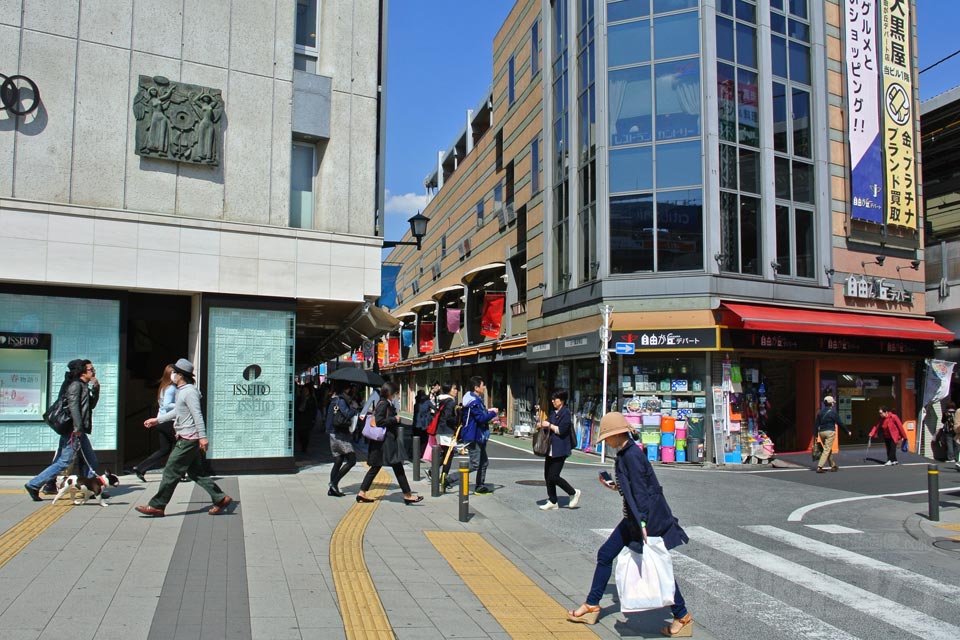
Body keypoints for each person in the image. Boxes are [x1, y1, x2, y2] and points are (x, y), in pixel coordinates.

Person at [567, 412, 692, 637]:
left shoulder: (631, 455)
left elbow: (643, 493)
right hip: (635, 519)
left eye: (607, 438)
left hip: (645, 520)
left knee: (657, 566)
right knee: (606, 554)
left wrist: (643, 522)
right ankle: (592, 604)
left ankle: (682, 616)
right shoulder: (626, 452)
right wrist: (615, 486)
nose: (606, 442)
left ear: (616, 435)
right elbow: (634, 487)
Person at [135, 359, 232, 517]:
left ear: (180, 375)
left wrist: (203, 437)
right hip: (186, 436)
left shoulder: (189, 392)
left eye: (174, 372)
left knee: (170, 471)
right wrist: (157, 420)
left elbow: (197, 415)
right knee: (196, 473)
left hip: (188, 438)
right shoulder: (181, 390)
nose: (172, 375)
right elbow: (178, 411)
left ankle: (157, 506)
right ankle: (220, 499)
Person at [25, 359, 101, 501]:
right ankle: (34, 484)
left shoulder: (84, 385)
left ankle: (90, 490)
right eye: (91, 369)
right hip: (73, 430)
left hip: (79, 430)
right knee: (64, 462)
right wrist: (77, 428)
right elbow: (73, 408)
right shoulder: (75, 386)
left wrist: (96, 389)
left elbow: (91, 406)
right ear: (83, 371)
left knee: (91, 461)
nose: (94, 371)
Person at [356, 382, 423, 504]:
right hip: (386, 443)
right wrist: (395, 419)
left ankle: (362, 492)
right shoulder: (384, 404)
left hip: (383, 443)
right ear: (390, 393)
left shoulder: (385, 403)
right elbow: (380, 421)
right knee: (394, 466)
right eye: (397, 393)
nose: (398, 396)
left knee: (378, 467)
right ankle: (407, 495)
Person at [131, 364, 178, 482]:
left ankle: (140, 468)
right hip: (168, 422)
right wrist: (182, 404)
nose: (177, 375)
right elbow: (167, 405)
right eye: (175, 372)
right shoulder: (172, 388)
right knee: (180, 447)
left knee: (164, 449)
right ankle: (176, 473)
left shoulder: (163, 387)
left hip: (160, 421)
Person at [538, 390, 581, 510]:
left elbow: (561, 430)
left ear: (561, 400)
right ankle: (552, 501)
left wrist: (549, 425)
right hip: (550, 448)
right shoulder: (553, 412)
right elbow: (548, 423)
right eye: (552, 399)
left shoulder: (566, 413)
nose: (553, 401)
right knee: (547, 475)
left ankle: (573, 492)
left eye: (555, 399)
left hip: (561, 449)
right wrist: (542, 424)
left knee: (554, 476)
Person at [461, 376, 498, 495]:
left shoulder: (474, 399)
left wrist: (488, 411)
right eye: (483, 385)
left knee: (484, 462)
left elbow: (479, 415)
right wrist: (493, 413)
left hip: (479, 435)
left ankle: (480, 486)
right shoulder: (474, 402)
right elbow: (481, 418)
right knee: (475, 464)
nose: (484, 387)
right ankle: (449, 479)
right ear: (476, 388)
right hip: (474, 436)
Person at [326, 382, 358, 496]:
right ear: (346, 389)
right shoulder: (341, 400)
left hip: (332, 433)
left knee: (338, 461)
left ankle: (332, 490)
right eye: (350, 388)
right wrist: (354, 408)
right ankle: (333, 483)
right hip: (340, 435)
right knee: (352, 460)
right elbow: (348, 414)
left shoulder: (334, 400)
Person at [426, 382, 460, 491]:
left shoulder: (441, 400)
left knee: (446, 454)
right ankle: (443, 480)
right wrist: (458, 420)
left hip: (440, 430)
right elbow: (448, 417)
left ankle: (433, 470)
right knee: (448, 455)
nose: (456, 390)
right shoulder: (450, 402)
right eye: (454, 388)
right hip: (446, 431)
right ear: (449, 390)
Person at [813, 395, 850, 473]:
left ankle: (833, 466)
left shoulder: (820, 413)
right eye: (833, 402)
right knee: (826, 449)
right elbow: (840, 423)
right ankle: (820, 467)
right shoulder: (833, 413)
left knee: (827, 448)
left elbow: (816, 424)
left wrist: (816, 435)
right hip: (830, 432)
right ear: (831, 403)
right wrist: (847, 431)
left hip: (821, 432)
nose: (833, 404)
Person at [294, 382, 318, 454]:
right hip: (300, 419)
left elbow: (314, 410)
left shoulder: (311, 400)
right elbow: (296, 408)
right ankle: (302, 445)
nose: (305, 392)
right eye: (304, 390)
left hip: (307, 419)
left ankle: (304, 447)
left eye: (306, 390)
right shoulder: (299, 399)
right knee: (300, 434)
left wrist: (313, 419)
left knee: (306, 434)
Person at [412, 389, 433, 459]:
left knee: (416, 439)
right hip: (425, 424)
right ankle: (422, 453)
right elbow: (435, 409)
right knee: (424, 440)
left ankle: (415, 453)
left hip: (416, 423)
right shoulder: (427, 402)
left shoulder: (417, 402)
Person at [942, 403, 958, 469]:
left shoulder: (946, 413)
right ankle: (956, 457)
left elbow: (943, 421)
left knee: (949, 444)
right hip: (956, 430)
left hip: (948, 430)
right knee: (956, 443)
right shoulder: (956, 412)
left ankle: (951, 458)